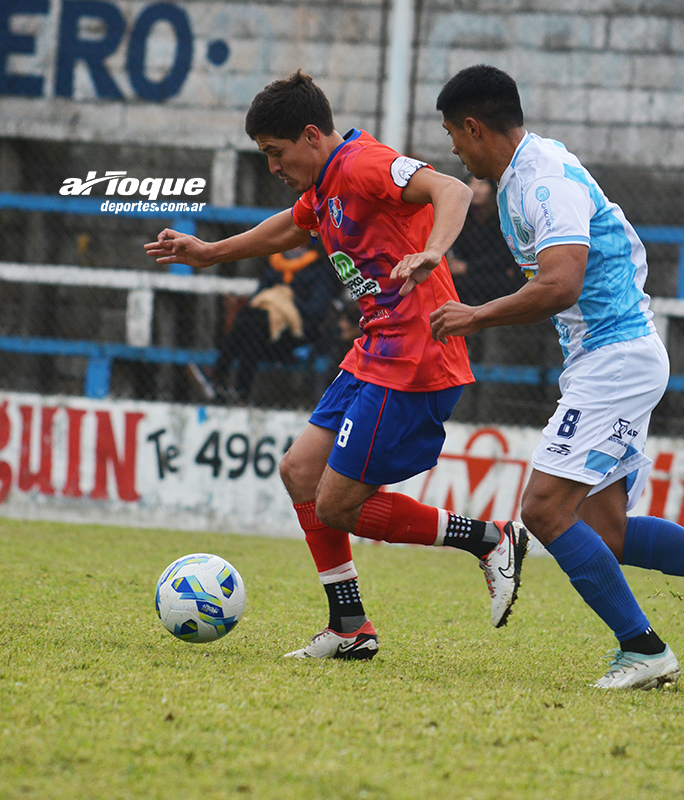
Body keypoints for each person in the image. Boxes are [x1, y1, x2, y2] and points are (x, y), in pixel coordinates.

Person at [425, 65, 684, 690]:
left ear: (474, 126)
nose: (451, 146)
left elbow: (561, 284)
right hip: (606, 358)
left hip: (616, 360)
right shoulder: (521, 176)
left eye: (452, 132)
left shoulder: (542, 181)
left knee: (544, 510)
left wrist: (475, 316)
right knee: (604, 532)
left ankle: (644, 650)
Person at [146, 71, 529, 660]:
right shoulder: (326, 186)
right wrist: (210, 253)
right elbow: (290, 226)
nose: (272, 165)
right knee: (301, 471)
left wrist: (433, 250)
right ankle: (349, 626)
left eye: (275, 153)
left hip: (416, 353)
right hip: (375, 349)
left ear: (308, 135)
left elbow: (449, 189)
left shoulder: (363, 164)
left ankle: (487, 539)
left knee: (337, 504)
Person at [210, 244, 338, 403]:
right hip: (263, 332)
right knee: (251, 324)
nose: (294, 247)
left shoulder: (319, 270)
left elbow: (317, 310)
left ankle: (218, 379)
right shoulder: (274, 265)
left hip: (295, 336)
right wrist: (274, 299)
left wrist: (286, 301)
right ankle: (238, 393)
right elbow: (258, 298)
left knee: (251, 322)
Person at [448, 176, 524, 307]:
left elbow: (503, 257)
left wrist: (468, 267)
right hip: (470, 274)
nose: (475, 189)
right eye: (471, 183)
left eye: (481, 184)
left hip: (498, 275)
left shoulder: (502, 218)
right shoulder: (463, 217)